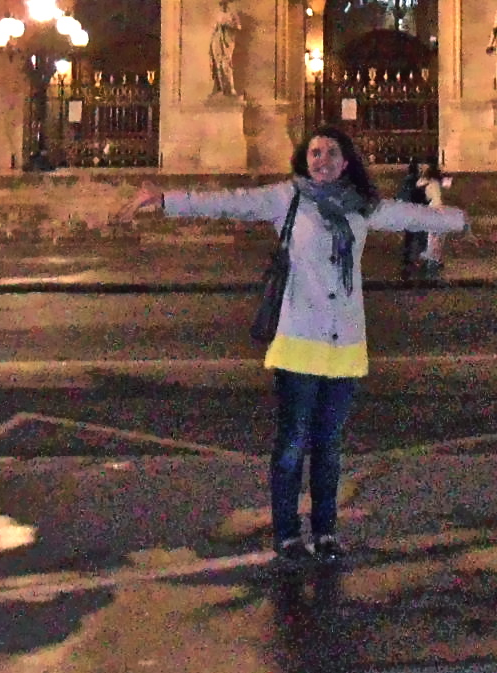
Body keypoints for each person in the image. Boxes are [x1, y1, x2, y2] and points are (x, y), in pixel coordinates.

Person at [137, 128, 463, 566]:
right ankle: (288, 534)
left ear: (345, 162)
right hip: (299, 340)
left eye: (331, 152)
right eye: (315, 152)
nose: (322, 159)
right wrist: (166, 200)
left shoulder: (361, 206)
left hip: (344, 342)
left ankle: (325, 532)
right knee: (292, 446)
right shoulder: (285, 198)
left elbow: (408, 215)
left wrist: (460, 220)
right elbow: (230, 202)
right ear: (304, 159)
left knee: (329, 447)